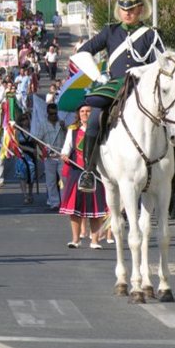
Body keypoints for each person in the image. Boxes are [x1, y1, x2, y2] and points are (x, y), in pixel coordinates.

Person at [70, 0, 163, 192]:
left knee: (172, 122)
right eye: (124, 9)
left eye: (132, 9)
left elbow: (162, 62)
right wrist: (97, 76)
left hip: (144, 88)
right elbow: (83, 52)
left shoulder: (151, 34)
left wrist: (144, 71)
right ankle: (88, 171)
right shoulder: (110, 32)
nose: (127, 13)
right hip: (115, 88)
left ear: (140, 9)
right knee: (94, 119)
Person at [59, 105, 109, 248]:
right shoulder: (73, 130)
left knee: (95, 209)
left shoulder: (100, 130)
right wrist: (65, 155)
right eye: (82, 111)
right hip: (76, 172)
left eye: (88, 111)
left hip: (95, 172)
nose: (85, 114)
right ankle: (76, 240)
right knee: (75, 209)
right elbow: (66, 148)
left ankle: (95, 241)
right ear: (78, 114)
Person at [34, 103, 66, 210]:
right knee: (50, 181)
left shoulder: (62, 123)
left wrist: (64, 128)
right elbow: (38, 139)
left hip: (61, 155)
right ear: (47, 113)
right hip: (49, 157)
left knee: (63, 180)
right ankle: (54, 203)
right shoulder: (42, 124)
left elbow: (69, 138)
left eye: (55, 113)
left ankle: (64, 202)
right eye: (51, 114)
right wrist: (43, 150)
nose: (54, 116)